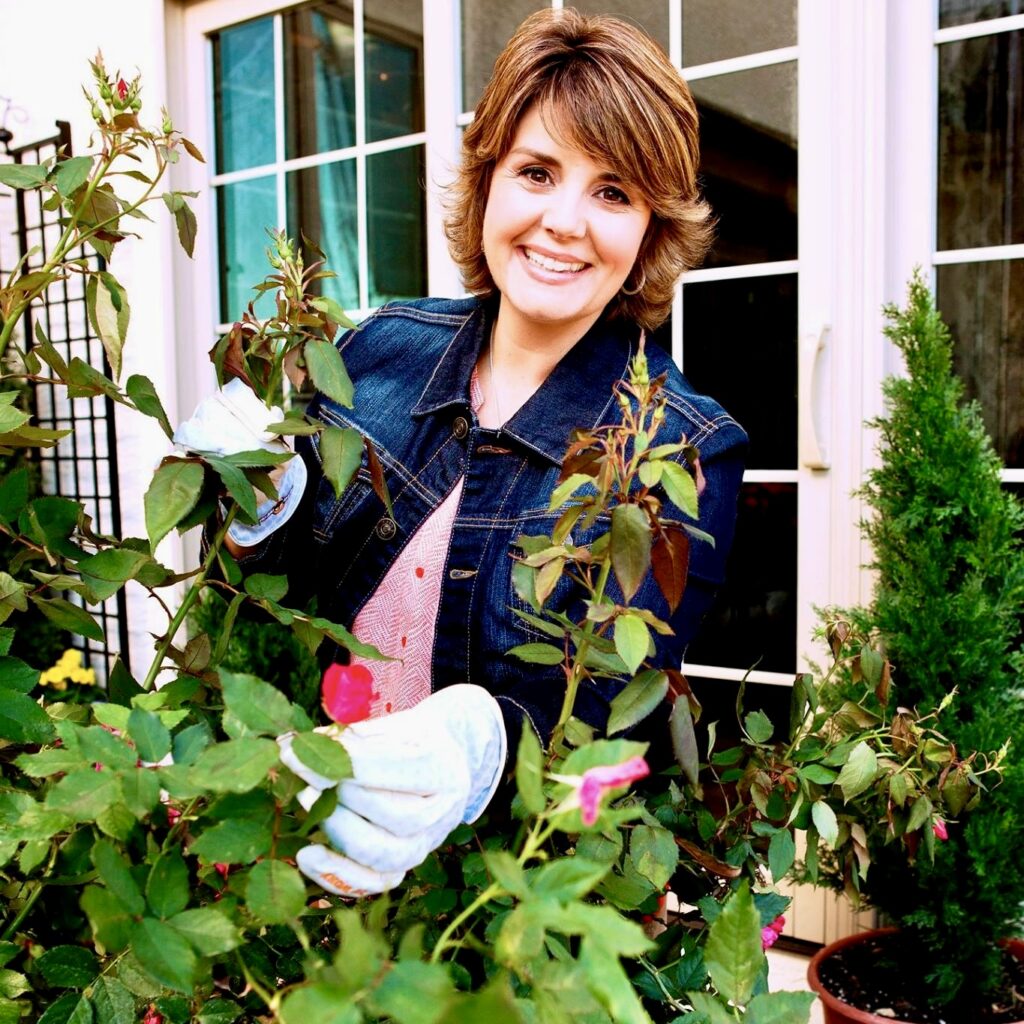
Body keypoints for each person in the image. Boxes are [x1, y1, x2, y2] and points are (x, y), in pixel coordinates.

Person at [174, 8, 747, 898]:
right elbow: (277, 604)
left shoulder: (683, 447)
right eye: (537, 172)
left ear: (650, 229)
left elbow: (607, 715)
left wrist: (481, 745)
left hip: (501, 902)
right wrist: (259, 514)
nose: (564, 222)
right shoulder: (380, 351)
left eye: (612, 192)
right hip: (304, 839)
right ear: (487, 185)